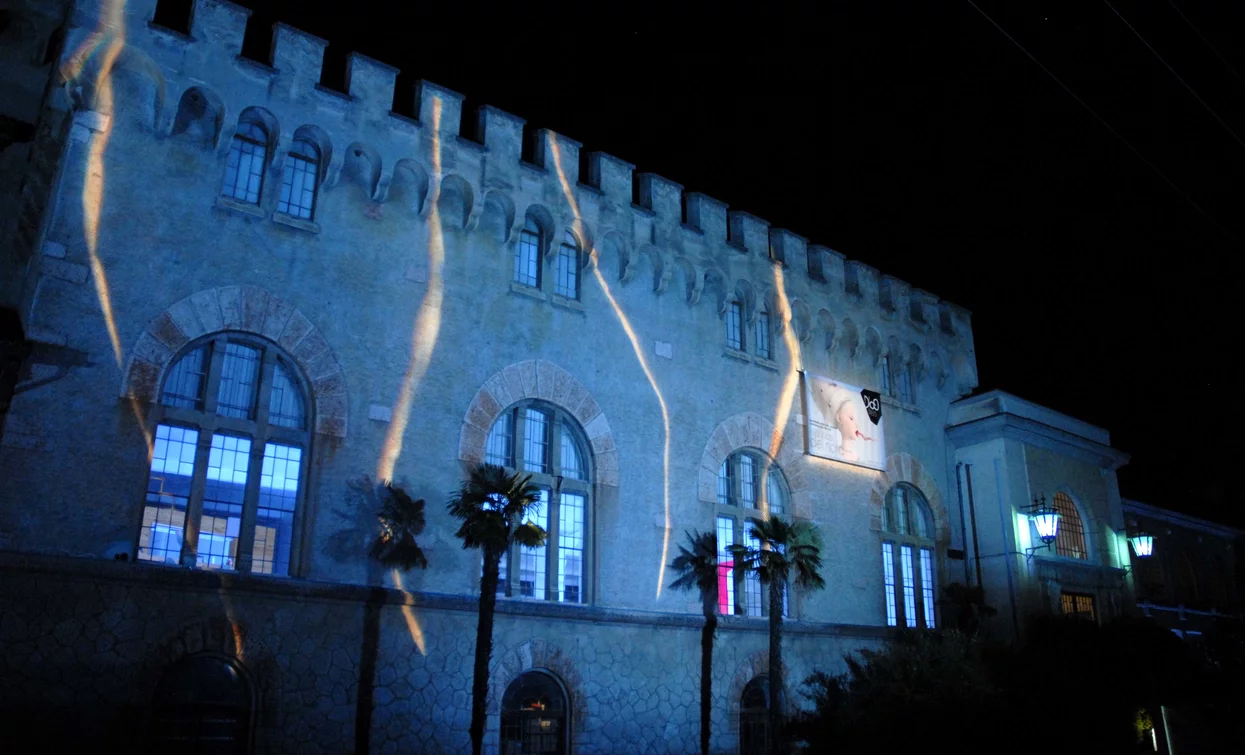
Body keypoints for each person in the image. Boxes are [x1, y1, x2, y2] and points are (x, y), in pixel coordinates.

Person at [815, 382, 874, 462]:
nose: (857, 425)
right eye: (851, 418)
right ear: (839, 418)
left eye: (856, 419)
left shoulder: (857, 456)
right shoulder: (834, 453)